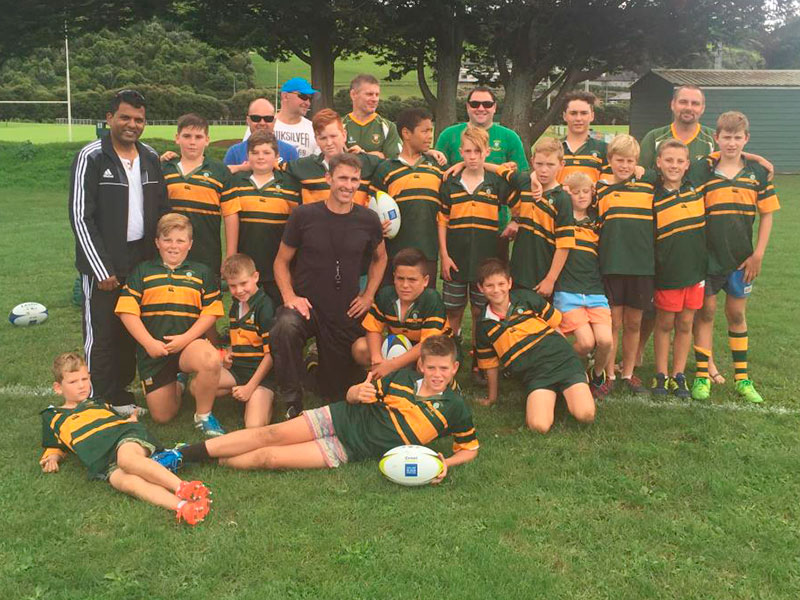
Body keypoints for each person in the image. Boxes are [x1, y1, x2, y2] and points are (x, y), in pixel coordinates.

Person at [152, 335, 478, 479]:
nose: (437, 374)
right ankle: (184, 453)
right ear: (421, 365)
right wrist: (354, 393)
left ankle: (211, 459)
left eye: (444, 369)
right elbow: (354, 394)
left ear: (454, 369)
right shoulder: (401, 379)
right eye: (431, 367)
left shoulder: (455, 408)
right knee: (270, 434)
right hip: (337, 417)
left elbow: (470, 448)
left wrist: (445, 462)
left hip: (350, 449)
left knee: (270, 458)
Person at [68, 89, 169, 415]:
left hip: (141, 261)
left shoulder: (151, 158)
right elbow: (80, 216)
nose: (132, 124)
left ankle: (120, 392)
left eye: (139, 119)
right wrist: (101, 268)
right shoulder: (92, 156)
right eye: (125, 117)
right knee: (101, 332)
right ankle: (96, 397)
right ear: (109, 118)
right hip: (104, 263)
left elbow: (163, 211)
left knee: (131, 329)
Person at [271, 153, 388, 418]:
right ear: (328, 178)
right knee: (285, 326)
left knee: (335, 393)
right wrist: (290, 297)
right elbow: (281, 261)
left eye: (354, 180)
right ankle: (292, 400)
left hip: (344, 311)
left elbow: (381, 258)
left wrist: (368, 294)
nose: (348, 185)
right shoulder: (304, 215)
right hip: (308, 306)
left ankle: (312, 367)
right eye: (342, 178)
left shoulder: (368, 219)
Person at [40, 352, 211, 525]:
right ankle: (182, 507)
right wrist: (53, 457)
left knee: (126, 460)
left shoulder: (97, 403)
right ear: (58, 387)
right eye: (73, 382)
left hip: (124, 437)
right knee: (124, 482)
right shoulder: (53, 417)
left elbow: (116, 422)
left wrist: (130, 421)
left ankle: (183, 487)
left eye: (84, 379)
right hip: (103, 460)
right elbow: (56, 443)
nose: (81, 386)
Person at [690, 112, 779, 403]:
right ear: (717, 138)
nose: (731, 142)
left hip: (742, 259)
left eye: (737, 137)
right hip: (707, 257)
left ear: (746, 139)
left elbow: (767, 215)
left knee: (737, 314)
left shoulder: (757, 173)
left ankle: (742, 378)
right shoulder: (704, 170)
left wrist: (759, 254)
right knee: (705, 312)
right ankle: (703, 375)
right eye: (726, 137)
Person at [115, 213, 226, 435]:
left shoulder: (202, 272)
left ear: (190, 244)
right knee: (163, 416)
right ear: (157, 242)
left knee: (211, 359)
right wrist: (149, 343)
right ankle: (180, 382)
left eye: (180, 240)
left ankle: (203, 415)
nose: (173, 246)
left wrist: (185, 339)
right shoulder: (143, 271)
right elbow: (127, 312)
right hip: (156, 352)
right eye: (167, 240)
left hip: (189, 346)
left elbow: (211, 313)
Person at [474, 259, 595, 434]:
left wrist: (571, 358)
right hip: (535, 374)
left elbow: (556, 325)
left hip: (562, 360)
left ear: (509, 283)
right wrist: (492, 398)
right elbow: (490, 365)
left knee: (585, 415)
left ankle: (576, 377)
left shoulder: (526, 298)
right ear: (481, 288)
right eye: (489, 285)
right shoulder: (484, 326)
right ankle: (559, 392)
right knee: (539, 426)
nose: (496, 290)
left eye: (501, 283)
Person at [438, 125, 513, 380]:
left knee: (482, 313)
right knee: (454, 312)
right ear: (460, 152)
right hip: (456, 259)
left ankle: (481, 361)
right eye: (467, 151)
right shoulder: (450, 182)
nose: (472, 156)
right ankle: (451, 359)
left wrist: (515, 222)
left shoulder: (496, 182)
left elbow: (520, 196)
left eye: (477, 151)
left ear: (486, 152)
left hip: (486, 262)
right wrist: (444, 255)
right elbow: (442, 220)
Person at [435, 86, 529, 262]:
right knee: (457, 281)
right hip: (458, 226)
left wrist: (517, 220)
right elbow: (440, 174)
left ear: (494, 107)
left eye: (487, 104)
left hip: (496, 226)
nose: (481, 108)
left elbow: (522, 180)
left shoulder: (510, 137)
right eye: (475, 103)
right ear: (467, 106)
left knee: (491, 285)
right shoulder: (449, 135)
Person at [596, 134, 656, 394]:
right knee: (613, 323)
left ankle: (628, 372)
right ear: (609, 160)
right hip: (611, 265)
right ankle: (608, 374)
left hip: (641, 266)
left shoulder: (647, 185)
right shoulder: (599, 189)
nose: (625, 165)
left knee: (634, 322)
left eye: (630, 161)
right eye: (620, 160)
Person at [649, 139, 707, 398]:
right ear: (659, 162)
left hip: (695, 271)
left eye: (679, 161)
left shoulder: (695, 187)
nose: (674, 165)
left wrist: (760, 161)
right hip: (668, 272)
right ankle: (661, 374)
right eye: (668, 160)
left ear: (687, 165)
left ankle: (678, 374)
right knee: (664, 323)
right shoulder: (652, 195)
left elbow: (724, 155)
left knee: (685, 323)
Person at [221, 131, 299, 307]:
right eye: (255, 153)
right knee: (245, 307)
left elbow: (296, 223)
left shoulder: (289, 183)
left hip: (277, 259)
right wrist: (231, 255)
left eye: (266, 153)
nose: (260, 157)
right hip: (246, 257)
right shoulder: (237, 182)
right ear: (247, 156)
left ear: (277, 156)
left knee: (276, 310)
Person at [555, 171, 613, 399]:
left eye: (586, 192)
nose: (581, 196)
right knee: (586, 342)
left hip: (594, 292)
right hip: (568, 292)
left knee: (605, 341)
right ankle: (565, 368)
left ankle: (597, 375)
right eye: (575, 192)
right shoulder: (560, 219)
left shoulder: (597, 222)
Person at [372, 108, 446, 286]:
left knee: (424, 306)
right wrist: (377, 225)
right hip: (394, 254)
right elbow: (372, 208)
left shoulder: (437, 167)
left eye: (431, 131)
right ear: (406, 133)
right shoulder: (386, 169)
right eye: (425, 131)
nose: (430, 136)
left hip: (427, 253)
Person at [356, 248, 452, 378]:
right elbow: (373, 329)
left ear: (425, 281)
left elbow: (428, 344)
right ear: (394, 277)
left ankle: (414, 385)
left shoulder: (431, 299)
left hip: (435, 349)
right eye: (400, 278)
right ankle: (379, 376)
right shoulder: (386, 295)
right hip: (400, 345)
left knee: (425, 361)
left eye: (412, 280)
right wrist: (376, 358)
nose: (405, 285)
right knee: (360, 347)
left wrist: (392, 365)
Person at [163, 113, 236, 281]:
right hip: (169, 253)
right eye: (187, 136)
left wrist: (230, 255)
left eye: (198, 137)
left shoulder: (220, 172)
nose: (192, 142)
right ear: (177, 138)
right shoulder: (165, 169)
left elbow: (230, 215)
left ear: (207, 140)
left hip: (207, 253)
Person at [502, 137, 575, 297]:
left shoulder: (562, 198)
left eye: (550, 165)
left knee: (542, 320)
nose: (544, 170)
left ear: (561, 165)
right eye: (539, 164)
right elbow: (495, 171)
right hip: (519, 270)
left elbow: (564, 245)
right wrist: (462, 164)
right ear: (532, 161)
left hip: (544, 274)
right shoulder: (525, 185)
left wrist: (550, 279)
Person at [218, 254, 275, 427]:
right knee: (198, 386)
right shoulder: (236, 305)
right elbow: (240, 339)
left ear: (255, 277)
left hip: (261, 375)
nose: (239, 290)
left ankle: (264, 398)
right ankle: (241, 394)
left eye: (244, 283)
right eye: (233, 286)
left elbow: (271, 355)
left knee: (253, 427)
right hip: (238, 370)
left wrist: (250, 387)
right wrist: (228, 352)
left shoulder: (265, 307)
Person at [283, 108, 383, 206]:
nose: (329, 143)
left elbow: (391, 169)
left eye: (333, 136)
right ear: (316, 140)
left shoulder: (367, 163)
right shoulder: (303, 166)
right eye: (323, 138)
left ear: (344, 135)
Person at [638, 85, 716, 169]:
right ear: (672, 104)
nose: (688, 108)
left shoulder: (715, 139)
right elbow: (640, 174)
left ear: (702, 108)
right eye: (683, 102)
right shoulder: (653, 138)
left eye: (695, 104)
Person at [224, 98, 299, 172]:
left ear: (274, 121)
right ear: (248, 120)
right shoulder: (234, 152)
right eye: (256, 118)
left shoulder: (290, 152)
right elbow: (224, 177)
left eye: (268, 118)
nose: (262, 123)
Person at [343, 73, 402, 158]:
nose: (375, 99)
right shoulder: (340, 127)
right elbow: (335, 161)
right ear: (353, 94)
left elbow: (393, 163)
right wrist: (378, 155)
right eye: (369, 94)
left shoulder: (389, 128)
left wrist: (362, 155)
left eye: (377, 95)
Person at [558, 90, 608, 183]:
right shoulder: (554, 148)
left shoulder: (605, 149)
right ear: (565, 116)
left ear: (592, 116)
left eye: (584, 113)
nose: (578, 118)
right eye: (573, 113)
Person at [274, 77, 320, 158]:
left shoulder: (313, 129)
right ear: (285, 96)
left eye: (310, 98)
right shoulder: (264, 124)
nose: (308, 103)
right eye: (303, 96)